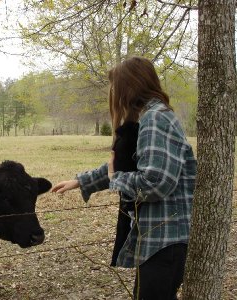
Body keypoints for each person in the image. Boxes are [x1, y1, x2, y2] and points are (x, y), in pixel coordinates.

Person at [51, 56, 196, 300]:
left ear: (130, 86)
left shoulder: (155, 119)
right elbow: (123, 165)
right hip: (160, 239)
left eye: (116, 86)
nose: (114, 93)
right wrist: (82, 181)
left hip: (166, 240)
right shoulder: (151, 117)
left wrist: (115, 179)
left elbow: (155, 183)